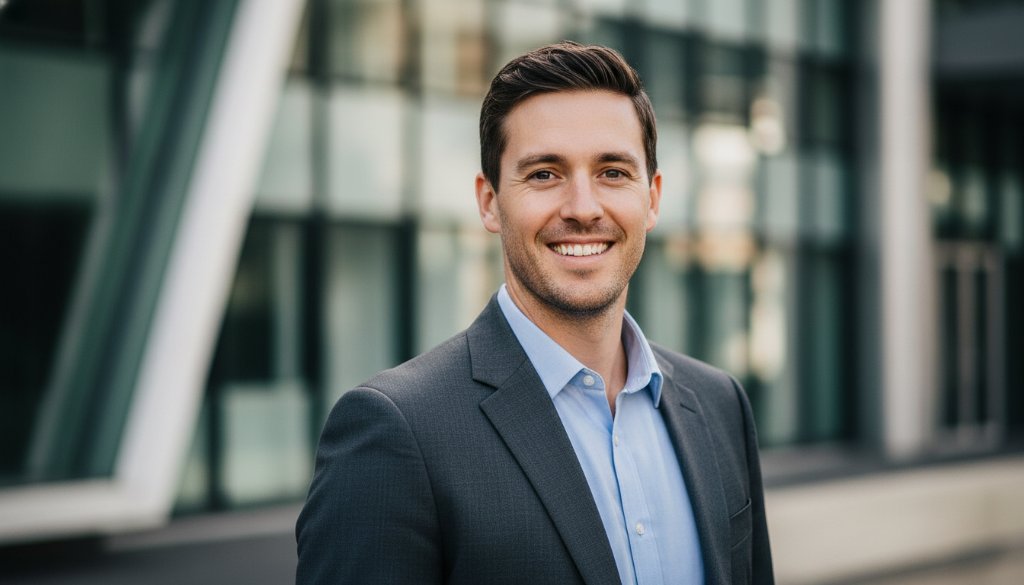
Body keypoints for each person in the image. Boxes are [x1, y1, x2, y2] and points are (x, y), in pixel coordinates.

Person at [296, 41, 773, 585]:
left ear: (653, 198)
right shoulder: (395, 433)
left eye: (613, 172)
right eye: (545, 174)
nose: (583, 208)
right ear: (490, 202)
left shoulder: (720, 406)